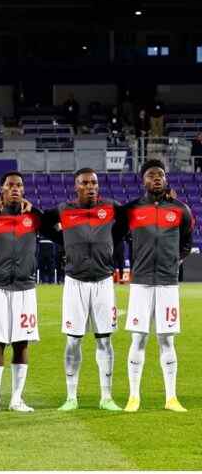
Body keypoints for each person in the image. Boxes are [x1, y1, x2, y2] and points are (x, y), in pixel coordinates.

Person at [43, 168, 125, 411]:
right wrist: (65, 241)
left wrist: (111, 242)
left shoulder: (111, 207)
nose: (91, 186)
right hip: (75, 283)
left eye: (94, 183)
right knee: (73, 341)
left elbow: (127, 222)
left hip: (103, 282)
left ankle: (106, 397)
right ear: (76, 186)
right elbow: (44, 224)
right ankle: (71, 397)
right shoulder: (63, 210)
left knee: (104, 340)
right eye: (85, 183)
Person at [122, 159, 193, 412]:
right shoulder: (131, 210)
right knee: (138, 338)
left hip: (167, 284)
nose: (156, 178)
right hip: (140, 283)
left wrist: (176, 261)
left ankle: (171, 398)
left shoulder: (180, 210)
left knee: (167, 339)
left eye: (160, 175)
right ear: (143, 180)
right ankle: (134, 397)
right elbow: (116, 234)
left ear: (166, 179)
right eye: (152, 175)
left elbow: (186, 241)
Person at [0, 172, 51, 413]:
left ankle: (16, 399)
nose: (15, 189)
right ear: (1, 189)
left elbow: (53, 226)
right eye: (10, 185)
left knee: (22, 343)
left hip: (25, 288)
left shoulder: (33, 218)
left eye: (19, 185)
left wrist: (36, 211)